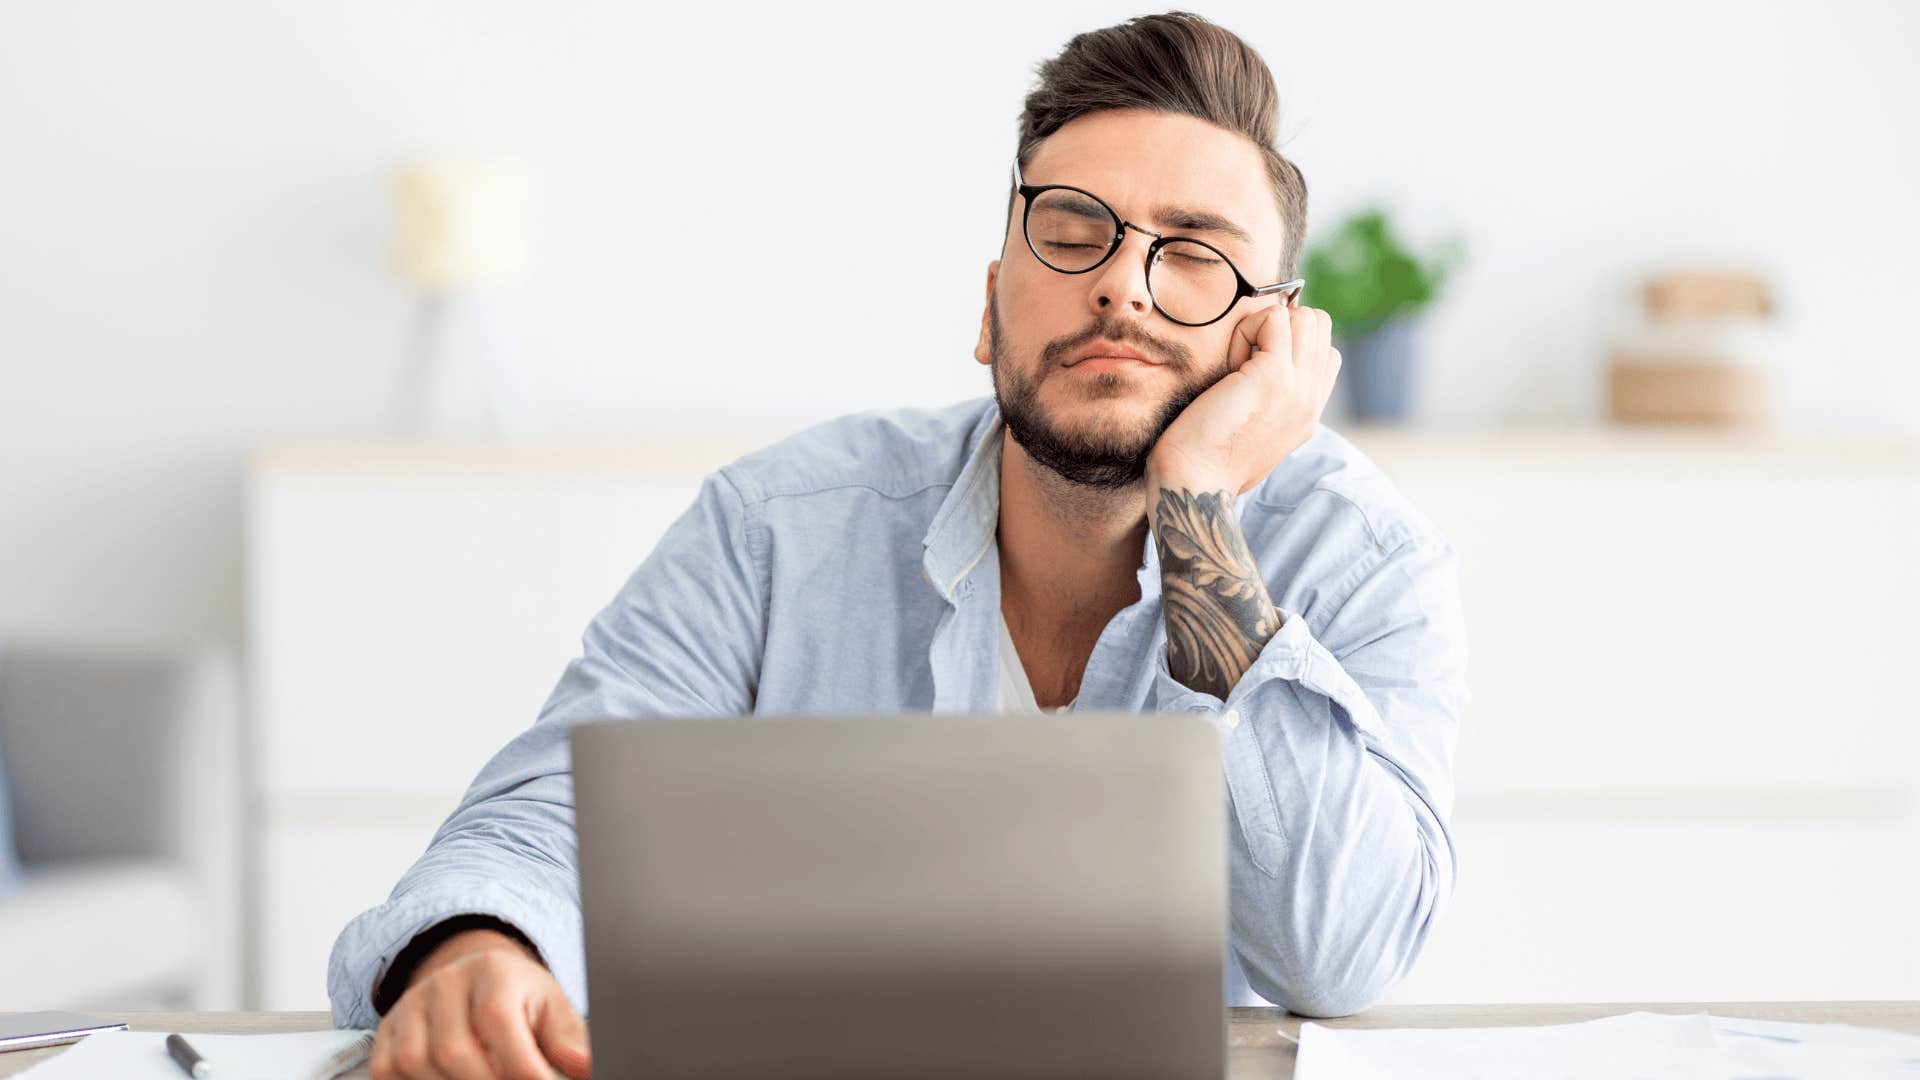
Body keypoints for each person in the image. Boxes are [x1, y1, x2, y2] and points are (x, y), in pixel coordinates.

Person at [331, 11, 1469, 1079]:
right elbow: (549, 815)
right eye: (1073, 232)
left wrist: (1201, 511)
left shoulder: (1364, 559)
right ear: (990, 308)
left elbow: (1345, 949)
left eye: (1195, 257)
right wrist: (477, 950)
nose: (1123, 284)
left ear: (1273, 343)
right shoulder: (776, 528)